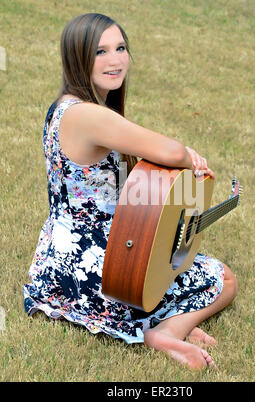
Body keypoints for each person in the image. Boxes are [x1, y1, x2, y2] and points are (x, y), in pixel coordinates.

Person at [23, 13, 238, 371]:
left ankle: (166, 317)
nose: (115, 59)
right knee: (224, 279)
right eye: (100, 52)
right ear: (77, 58)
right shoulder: (89, 115)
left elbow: (128, 190)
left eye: (120, 48)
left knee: (176, 267)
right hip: (105, 267)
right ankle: (166, 330)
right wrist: (190, 158)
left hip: (63, 259)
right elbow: (169, 152)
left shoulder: (65, 108)